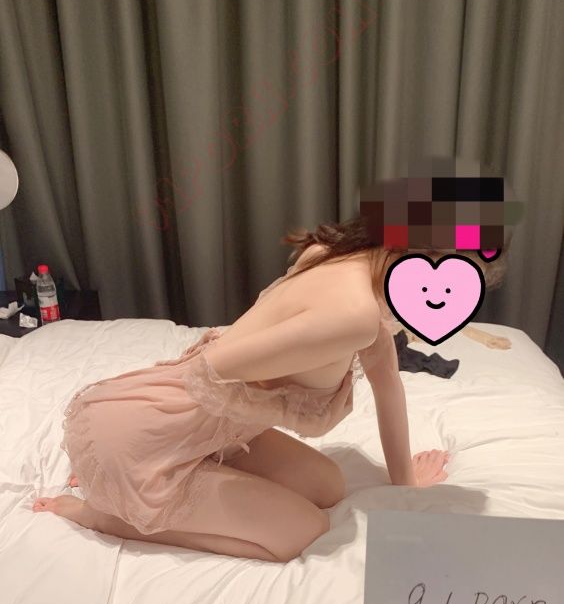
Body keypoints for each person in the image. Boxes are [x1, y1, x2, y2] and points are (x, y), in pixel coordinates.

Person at [32, 215, 510, 563]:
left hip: (204, 430)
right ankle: (108, 515)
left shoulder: (337, 258)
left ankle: (156, 469)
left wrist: (405, 481)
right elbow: (217, 366)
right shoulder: (356, 314)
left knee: (328, 486)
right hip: (142, 434)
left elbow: (388, 384)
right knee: (302, 531)